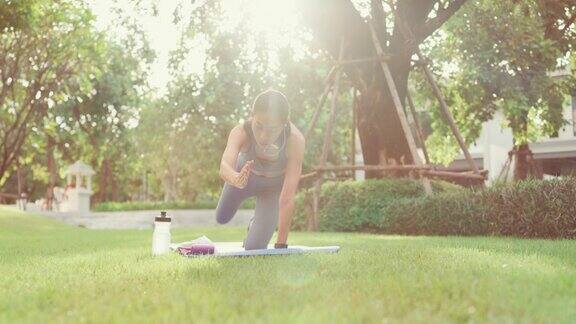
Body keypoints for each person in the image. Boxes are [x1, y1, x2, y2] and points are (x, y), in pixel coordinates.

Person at [216, 89, 305, 250]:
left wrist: (281, 244)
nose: (263, 136)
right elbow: (224, 166)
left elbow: (287, 197)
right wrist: (235, 178)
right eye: (258, 126)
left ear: (284, 124)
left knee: (254, 248)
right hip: (242, 181)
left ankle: (255, 225)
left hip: (272, 189)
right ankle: (242, 214)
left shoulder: (295, 140)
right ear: (252, 117)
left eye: (272, 129)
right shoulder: (241, 131)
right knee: (221, 217)